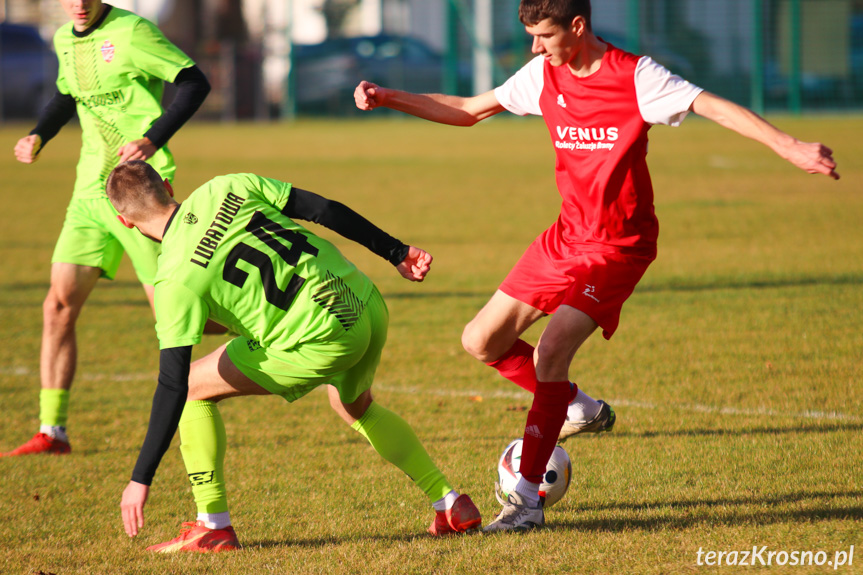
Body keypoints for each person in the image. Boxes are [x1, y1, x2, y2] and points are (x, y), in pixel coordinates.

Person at [354, 0, 839, 532]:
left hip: (617, 247)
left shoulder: (636, 76)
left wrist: (786, 145)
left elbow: (712, 106)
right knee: (481, 341)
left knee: (551, 354)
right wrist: (390, 97)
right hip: (565, 238)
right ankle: (576, 408)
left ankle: (524, 505)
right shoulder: (543, 74)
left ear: (577, 27)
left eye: (544, 36)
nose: (536, 47)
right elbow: (470, 108)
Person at [109, 161, 482, 552]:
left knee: (189, 389)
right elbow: (324, 210)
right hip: (364, 302)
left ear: (126, 222)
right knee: (356, 407)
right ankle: (449, 501)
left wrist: (141, 478)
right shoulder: (227, 185)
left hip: (322, 338)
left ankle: (212, 524)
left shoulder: (171, 279)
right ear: (167, 185)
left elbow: (171, 381)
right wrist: (396, 252)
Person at [4, 0, 211, 457]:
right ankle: (52, 432)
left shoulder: (133, 33)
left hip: (141, 192)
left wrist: (153, 138)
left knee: (178, 312)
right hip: (89, 194)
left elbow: (196, 82)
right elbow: (66, 95)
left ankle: (261, 328)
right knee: (57, 305)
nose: (78, 4)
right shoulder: (63, 39)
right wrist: (40, 133)